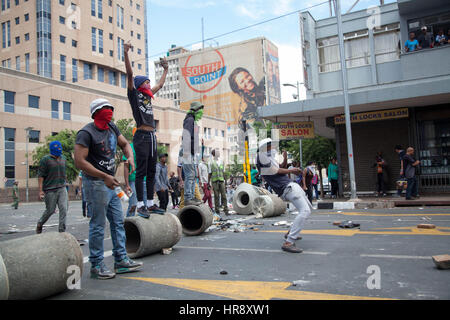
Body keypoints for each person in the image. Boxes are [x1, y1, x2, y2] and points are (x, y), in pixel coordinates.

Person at [74, 98, 143, 280]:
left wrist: (130, 158)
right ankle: (96, 265)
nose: (110, 110)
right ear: (96, 112)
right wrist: (103, 176)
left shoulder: (112, 127)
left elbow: (125, 144)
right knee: (97, 225)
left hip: (110, 183)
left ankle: (121, 260)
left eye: (111, 108)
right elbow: (79, 161)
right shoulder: (86, 133)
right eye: (105, 108)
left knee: (118, 221)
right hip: (95, 183)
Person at [124, 41, 167, 218]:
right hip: (141, 135)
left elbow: (160, 85)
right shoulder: (134, 95)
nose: (150, 85)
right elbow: (129, 74)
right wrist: (126, 53)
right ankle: (140, 205)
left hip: (152, 136)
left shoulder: (149, 98)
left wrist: (165, 69)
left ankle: (150, 204)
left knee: (151, 171)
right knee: (141, 172)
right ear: (141, 85)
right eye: (147, 83)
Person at [257, 138, 312, 253]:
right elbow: (275, 170)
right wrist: (292, 171)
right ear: (265, 147)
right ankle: (289, 242)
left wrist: (285, 157)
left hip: (289, 186)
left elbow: (281, 166)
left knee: (308, 208)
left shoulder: (269, 157)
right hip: (286, 187)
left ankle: (290, 233)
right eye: (270, 145)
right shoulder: (262, 157)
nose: (273, 147)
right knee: (305, 211)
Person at [36, 140, 68, 234]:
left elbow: (63, 172)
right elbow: (41, 176)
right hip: (50, 190)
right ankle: (40, 223)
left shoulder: (63, 158)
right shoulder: (45, 160)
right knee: (50, 210)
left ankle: (62, 231)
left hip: (62, 188)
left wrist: (65, 182)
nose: (58, 154)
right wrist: (40, 190)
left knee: (64, 208)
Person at [181, 101, 204, 206]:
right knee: (190, 175)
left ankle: (192, 197)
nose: (202, 113)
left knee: (193, 175)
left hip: (192, 152)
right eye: (200, 110)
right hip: (188, 151)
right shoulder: (189, 120)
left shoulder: (193, 121)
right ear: (195, 110)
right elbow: (186, 136)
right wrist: (188, 151)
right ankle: (188, 197)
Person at [123, 128, 147, 217]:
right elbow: (125, 167)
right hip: (133, 180)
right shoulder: (129, 148)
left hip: (144, 180)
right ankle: (129, 224)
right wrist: (127, 184)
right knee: (133, 204)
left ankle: (143, 226)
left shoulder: (145, 148)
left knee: (145, 205)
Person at [208, 149, 229, 216]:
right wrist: (208, 183)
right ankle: (217, 211)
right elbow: (210, 173)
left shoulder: (221, 161)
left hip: (221, 180)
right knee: (216, 196)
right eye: (217, 152)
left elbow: (223, 172)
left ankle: (226, 210)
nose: (219, 153)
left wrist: (225, 182)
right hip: (214, 181)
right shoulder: (210, 162)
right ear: (214, 154)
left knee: (224, 196)